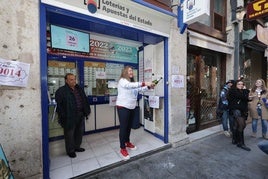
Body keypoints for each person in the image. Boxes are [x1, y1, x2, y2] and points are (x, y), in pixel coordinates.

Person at [116, 66, 154, 160]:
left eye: (132, 71)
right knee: (123, 127)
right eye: (129, 70)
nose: (131, 72)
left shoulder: (132, 83)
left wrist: (148, 86)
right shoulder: (122, 81)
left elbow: (138, 89)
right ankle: (122, 148)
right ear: (125, 72)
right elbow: (129, 86)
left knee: (128, 126)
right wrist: (145, 83)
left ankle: (127, 142)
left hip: (131, 107)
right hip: (123, 107)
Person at [55, 73, 91, 158]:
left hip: (80, 114)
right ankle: (70, 150)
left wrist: (86, 110)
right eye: (71, 79)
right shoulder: (61, 91)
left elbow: (84, 100)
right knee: (69, 134)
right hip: (69, 116)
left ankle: (77, 147)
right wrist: (63, 116)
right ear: (66, 81)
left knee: (79, 132)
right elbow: (59, 107)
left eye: (74, 79)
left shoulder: (79, 89)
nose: (74, 81)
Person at [228, 79, 251, 151]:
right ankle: (241, 143)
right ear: (235, 85)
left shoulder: (241, 91)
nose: (241, 85)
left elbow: (246, 99)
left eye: (242, 84)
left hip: (242, 110)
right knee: (242, 125)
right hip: (236, 110)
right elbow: (242, 97)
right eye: (239, 84)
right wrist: (246, 90)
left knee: (236, 125)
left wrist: (249, 98)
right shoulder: (233, 91)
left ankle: (234, 139)